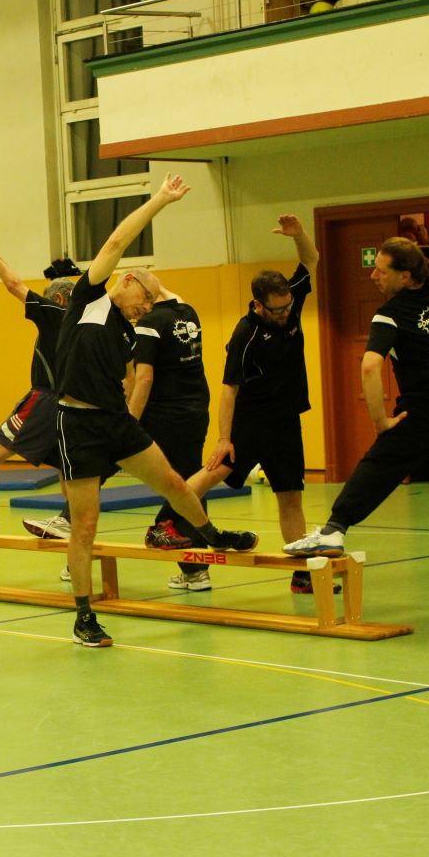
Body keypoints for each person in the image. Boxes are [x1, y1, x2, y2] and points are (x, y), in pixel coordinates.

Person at [51, 174, 259, 649]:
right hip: (77, 423)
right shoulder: (90, 300)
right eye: (144, 299)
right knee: (85, 524)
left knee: (173, 482)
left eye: (150, 304)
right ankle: (84, 616)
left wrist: (129, 417)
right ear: (126, 282)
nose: (145, 308)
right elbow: (116, 241)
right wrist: (160, 200)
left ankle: (211, 535)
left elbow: (130, 379)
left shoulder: (129, 330)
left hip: (115, 420)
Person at [287, 135, 429, 611]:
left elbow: (370, 365)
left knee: (381, 463)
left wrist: (380, 421)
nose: (373, 276)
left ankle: (334, 530)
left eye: (380, 270)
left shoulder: (390, 315)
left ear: (405, 275)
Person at [176, 215, 328, 594]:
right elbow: (229, 389)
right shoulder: (246, 334)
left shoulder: (289, 301)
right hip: (250, 424)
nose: (285, 314)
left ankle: (301, 576)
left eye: (287, 306)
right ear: (258, 305)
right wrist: (224, 438)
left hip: (286, 422)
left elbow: (311, 260)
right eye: (276, 310)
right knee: (208, 477)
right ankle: (168, 524)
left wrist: (299, 235)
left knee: (290, 497)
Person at [0, 225, 75, 540]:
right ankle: (69, 519)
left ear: (58, 298)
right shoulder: (84, 325)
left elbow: (13, 284)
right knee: (67, 467)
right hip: (71, 406)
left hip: (43, 401)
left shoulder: (54, 314)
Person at [126, 271, 214, 590]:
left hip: (165, 413)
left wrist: (130, 422)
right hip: (197, 409)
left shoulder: (149, 323)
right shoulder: (187, 311)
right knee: (191, 478)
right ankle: (195, 569)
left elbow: (144, 378)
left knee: (178, 484)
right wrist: (156, 286)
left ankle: (165, 527)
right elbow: (168, 293)